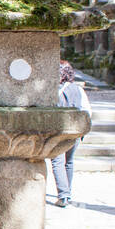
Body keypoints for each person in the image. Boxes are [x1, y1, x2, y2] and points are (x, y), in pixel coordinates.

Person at [50, 61, 90, 207]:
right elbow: (87, 110)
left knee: (57, 161)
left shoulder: (52, 90)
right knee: (69, 161)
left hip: (58, 131)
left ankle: (63, 195)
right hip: (75, 131)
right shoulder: (78, 89)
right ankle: (68, 192)